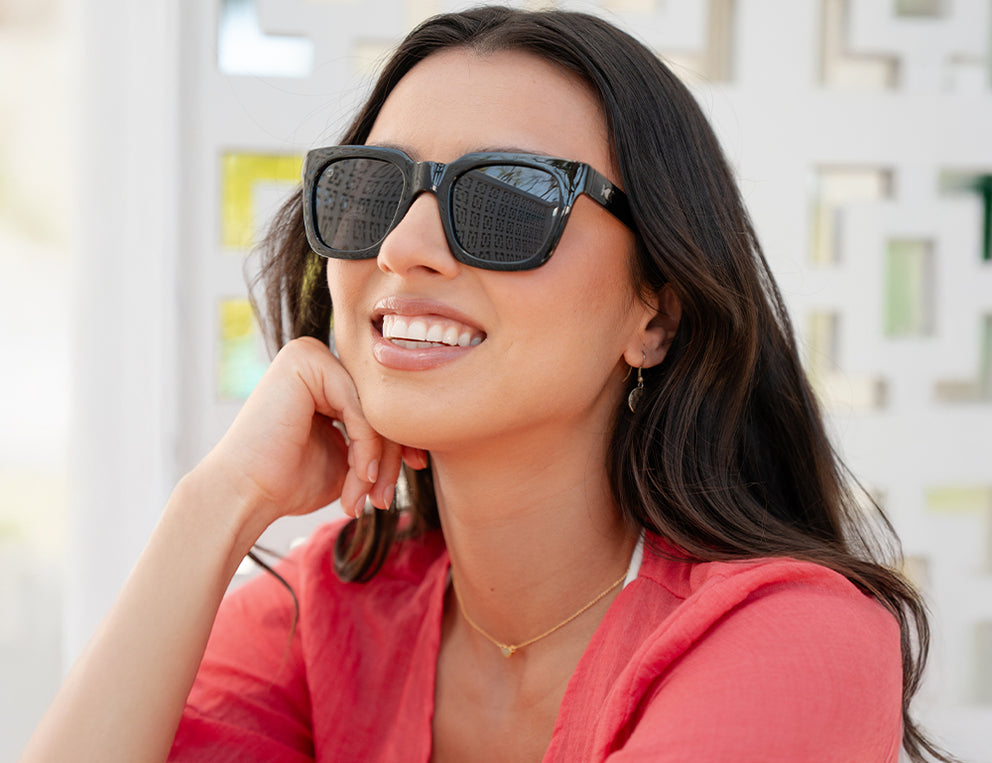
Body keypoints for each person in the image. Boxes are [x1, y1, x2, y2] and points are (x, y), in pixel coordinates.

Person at [22, 6, 955, 762]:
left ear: (656, 314)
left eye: (508, 198)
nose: (402, 247)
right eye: (372, 190)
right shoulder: (334, 609)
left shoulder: (794, 641)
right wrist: (216, 502)